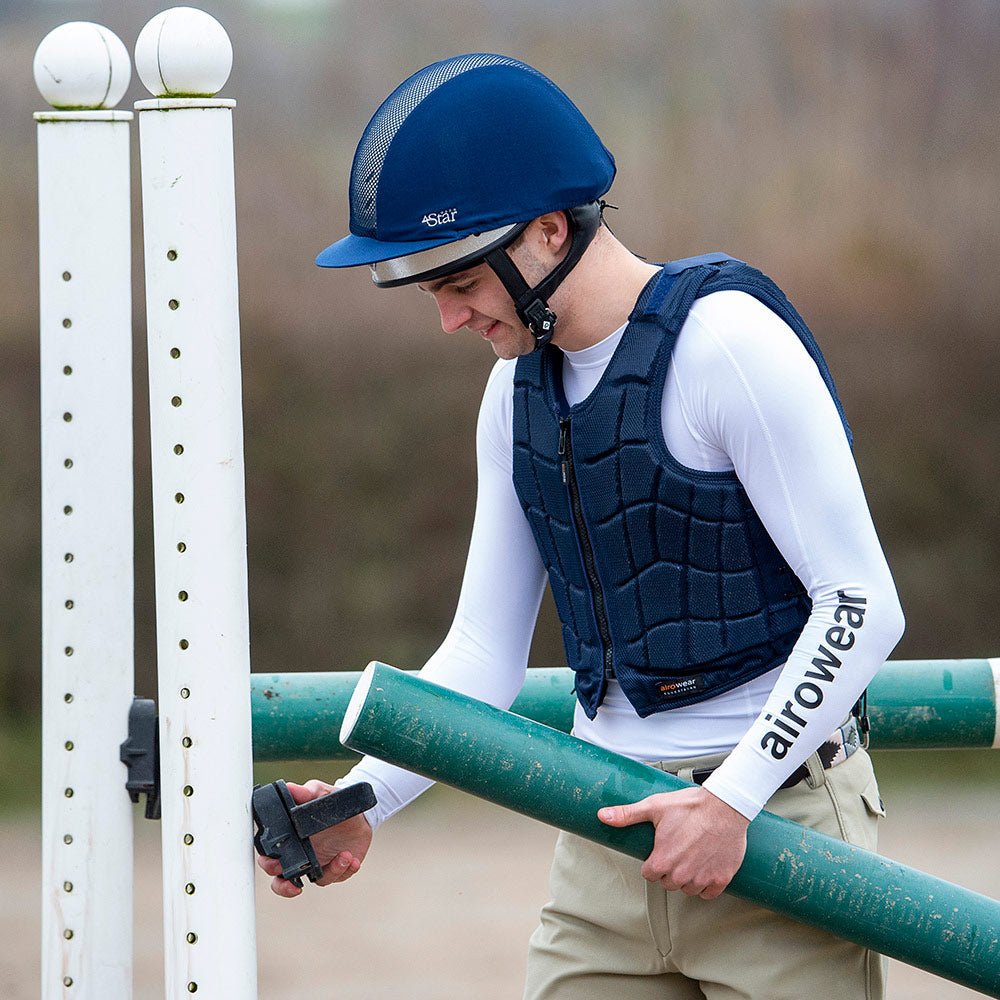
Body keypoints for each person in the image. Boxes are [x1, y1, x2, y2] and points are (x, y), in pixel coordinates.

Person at [257, 53, 905, 1000]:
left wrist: (731, 798)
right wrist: (366, 801)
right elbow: (482, 652)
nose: (447, 319)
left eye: (455, 282)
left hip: (781, 826)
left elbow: (862, 604)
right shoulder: (509, 396)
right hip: (602, 832)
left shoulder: (727, 342)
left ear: (547, 233)